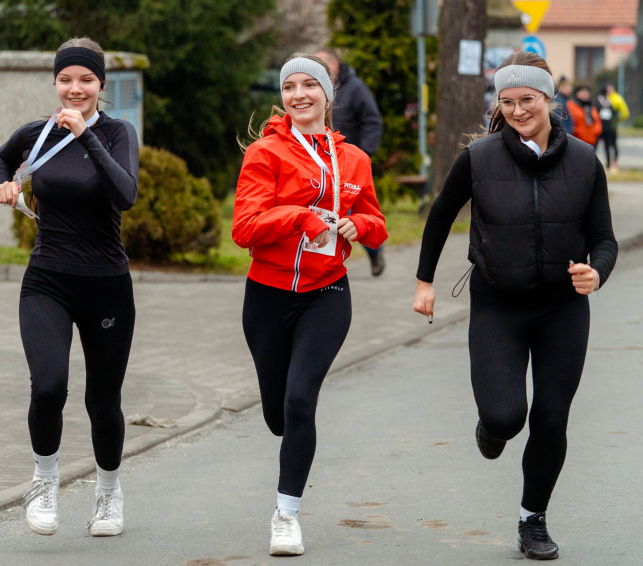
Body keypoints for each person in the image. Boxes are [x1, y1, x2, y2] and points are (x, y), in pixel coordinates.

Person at [412, 51, 617, 560]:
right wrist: (424, 282)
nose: (519, 110)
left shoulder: (585, 161)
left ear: (549, 99)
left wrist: (598, 272)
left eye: (528, 99)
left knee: (551, 418)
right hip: (497, 305)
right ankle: (492, 426)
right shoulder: (479, 159)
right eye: (508, 102)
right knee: (507, 417)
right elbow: (440, 216)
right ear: (498, 106)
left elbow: (605, 239)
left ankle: (533, 520)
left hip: (562, 308)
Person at [233, 54, 388, 556]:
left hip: (327, 293)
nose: (299, 94)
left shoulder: (354, 160)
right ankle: (289, 444)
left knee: (301, 402)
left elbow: (378, 224)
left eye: (309, 86)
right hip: (268, 296)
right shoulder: (265, 154)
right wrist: (298, 215)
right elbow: (244, 229)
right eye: (290, 86)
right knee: (280, 417)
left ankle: (286, 515)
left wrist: (356, 227)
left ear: (327, 94)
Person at [0, 37, 139, 538]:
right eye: (66, 79)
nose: (75, 89)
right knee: (49, 385)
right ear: (55, 83)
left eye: (86, 80)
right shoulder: (35, 134)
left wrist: (86, 136)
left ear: (100, 85)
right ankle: (44, 482)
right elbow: (0, 159)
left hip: (106, 285)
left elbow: (126, 194)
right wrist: (3, 184)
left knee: (102, 400)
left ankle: (108, 493)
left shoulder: (118, 133)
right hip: (47, 280)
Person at [315, 47, 386, 276]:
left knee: (355, 215)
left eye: (325, 65)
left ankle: (375, 254)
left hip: (348, 165)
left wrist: (364, 155)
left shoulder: (355, 88)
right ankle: (320, 262)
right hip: (320, 164)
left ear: (336, 66)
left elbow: (373, 121)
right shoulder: (313, 90)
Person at [596, 85, 619, 173]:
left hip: (608, 127)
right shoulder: (598, 101)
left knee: (607, 147)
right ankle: (593, 163)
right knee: (596, 147)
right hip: (600, 127)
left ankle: (608, 165)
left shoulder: (609, 102)